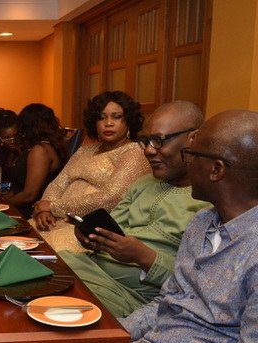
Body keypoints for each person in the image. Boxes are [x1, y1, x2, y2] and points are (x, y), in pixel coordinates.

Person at [0, 109, 258, 343]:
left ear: (216, 169)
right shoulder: (203, 222)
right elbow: (166, 303)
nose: (186, 160)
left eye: (192, 155)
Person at [58, 101, 209, 317]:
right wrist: (90, 236)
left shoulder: (209, 201)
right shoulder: (143, 184)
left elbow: (200, 283)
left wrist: (143, 256)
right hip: (92, 269)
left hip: (134, 298)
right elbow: (113, 230)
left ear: (193, 139)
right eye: (145, 141)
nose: (148, 150)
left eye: (158, 141)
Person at [32, 90, 151, 252]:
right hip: (54, 219)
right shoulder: (85, 150)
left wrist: (53, 207)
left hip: (86, 228)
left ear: (128, 121)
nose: (108, 123)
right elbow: (58, 183)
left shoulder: (134, 152)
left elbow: (111, 199)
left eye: (116, 117)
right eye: (101, 118)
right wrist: (44, 212)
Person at [4, 103, 68, 217]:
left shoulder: (40, 150)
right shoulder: (45, 145)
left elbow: (29, 195)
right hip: (22, 207)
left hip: (31, 213)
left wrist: (3, 204)